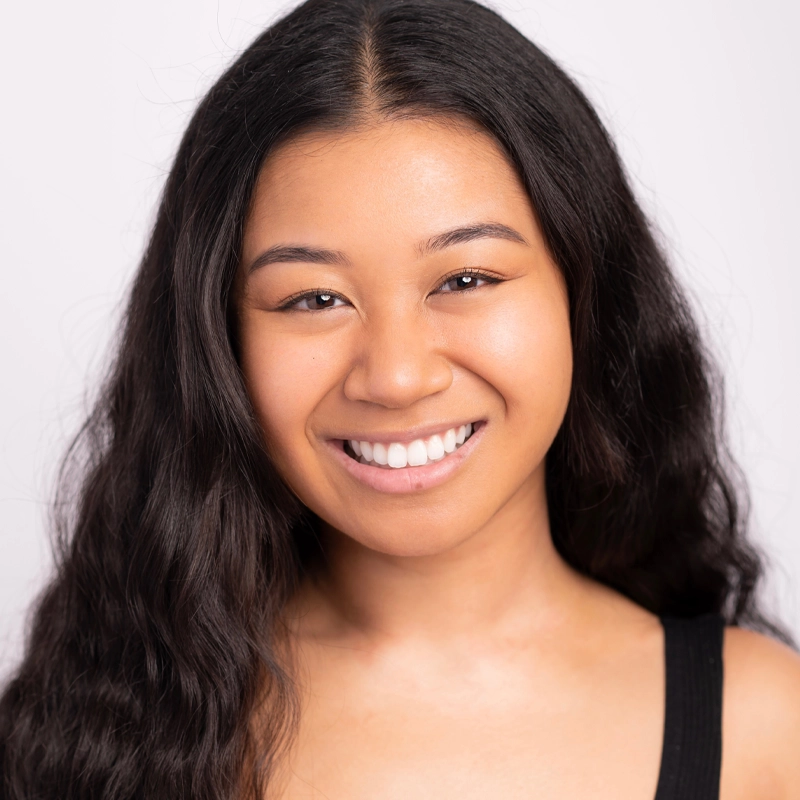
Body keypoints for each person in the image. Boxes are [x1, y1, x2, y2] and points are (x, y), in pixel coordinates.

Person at [1, 0, 799, 797]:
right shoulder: (92, 730)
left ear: (586, 295)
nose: (395, 376)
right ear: (216, 344)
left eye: (466, 279)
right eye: (313, 299)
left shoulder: (765, 730)